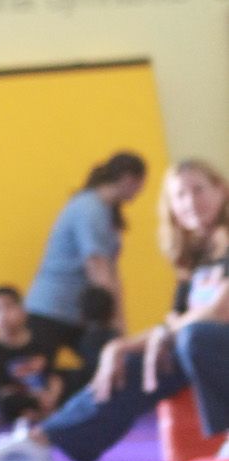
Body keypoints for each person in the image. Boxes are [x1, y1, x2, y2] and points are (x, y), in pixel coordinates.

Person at [0, 158, 229, 461]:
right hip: (205, 349)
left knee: (193, 337)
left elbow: (217, 311)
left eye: (198, 190)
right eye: (180, 195)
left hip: (214, 345)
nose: (190, 202)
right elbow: (175, 321)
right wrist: (121, 347)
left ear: (221, 190)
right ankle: (42, 440)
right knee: (132, 364)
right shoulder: (197, 261)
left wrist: (163, 334)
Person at [25, 152, 147, 360]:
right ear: (129, 179)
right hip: (50, 309)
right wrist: (114, 322)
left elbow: (111, 271)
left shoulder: (105, 212)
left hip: (75, 313)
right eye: (141, 184)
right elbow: (97, 266)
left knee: (104, 365)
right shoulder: (90, 208)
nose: (141, 191)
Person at [0, 284, 63, 434]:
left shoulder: (40, 342)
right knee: (7, 402)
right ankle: (33, 414)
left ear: (23, 312)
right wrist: (33, 396)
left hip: (45, 394)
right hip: (22, 397)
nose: (3, 314)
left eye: (9, 307)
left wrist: (52, 396)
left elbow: (53, 375)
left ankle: (46, 411)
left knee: (71, 385)